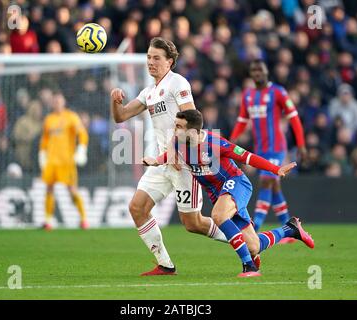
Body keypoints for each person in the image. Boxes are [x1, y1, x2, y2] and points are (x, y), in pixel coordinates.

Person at [143, 110, 314, 277]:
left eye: (179, 127)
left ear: (193, 132)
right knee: (254, 246)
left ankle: (249, 266)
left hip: (236, 184)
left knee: (218, 215)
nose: (175, 130)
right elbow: (169, 155)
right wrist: (155, 161)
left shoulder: (215, 143)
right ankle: (290, 229)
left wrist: (276, 169)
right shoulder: (178, 142)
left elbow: (247, 157)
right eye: (175, 125)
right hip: (218, 194)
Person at [110, 37, 227, 276]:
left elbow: (193, 121)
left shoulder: (178, 83)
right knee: (137, 208)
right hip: (163, 161)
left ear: (169, 62)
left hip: (184, 161)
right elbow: (120, 117)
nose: (150, 62)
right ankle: (165, 264)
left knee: (193, 224)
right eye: (148, 58)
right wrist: (115, 101)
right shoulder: (149, 92)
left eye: (156, 58)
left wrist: (175, 149)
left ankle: (244, 241)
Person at [230, 59, 307, 243]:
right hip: (260, 149)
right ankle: (290, 228)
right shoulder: (248, 95)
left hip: (276, 147)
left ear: (266, 72)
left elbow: (294, 118)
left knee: (265, 182)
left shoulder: (278, 92)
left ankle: (254, 228)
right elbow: (242, 121)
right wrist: (232, 140)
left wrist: (301, 143)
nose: (257, 73)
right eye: (254, 70)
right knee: (273, 186)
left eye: (260, 70)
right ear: (251, 74)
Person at [38, 90, 89, 230]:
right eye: (55, 101)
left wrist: (81, 149)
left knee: (72, 190)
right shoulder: (49, 119)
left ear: (64, 102)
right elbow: (45, 139)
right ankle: (47, 220)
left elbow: (82, 134)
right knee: (49, 189)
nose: (57, 103)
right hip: (52, 161)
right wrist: (42, 154)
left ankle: (84, 218)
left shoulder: (71, 117)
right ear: (52, 103)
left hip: (66, 161)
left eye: (59, 101)